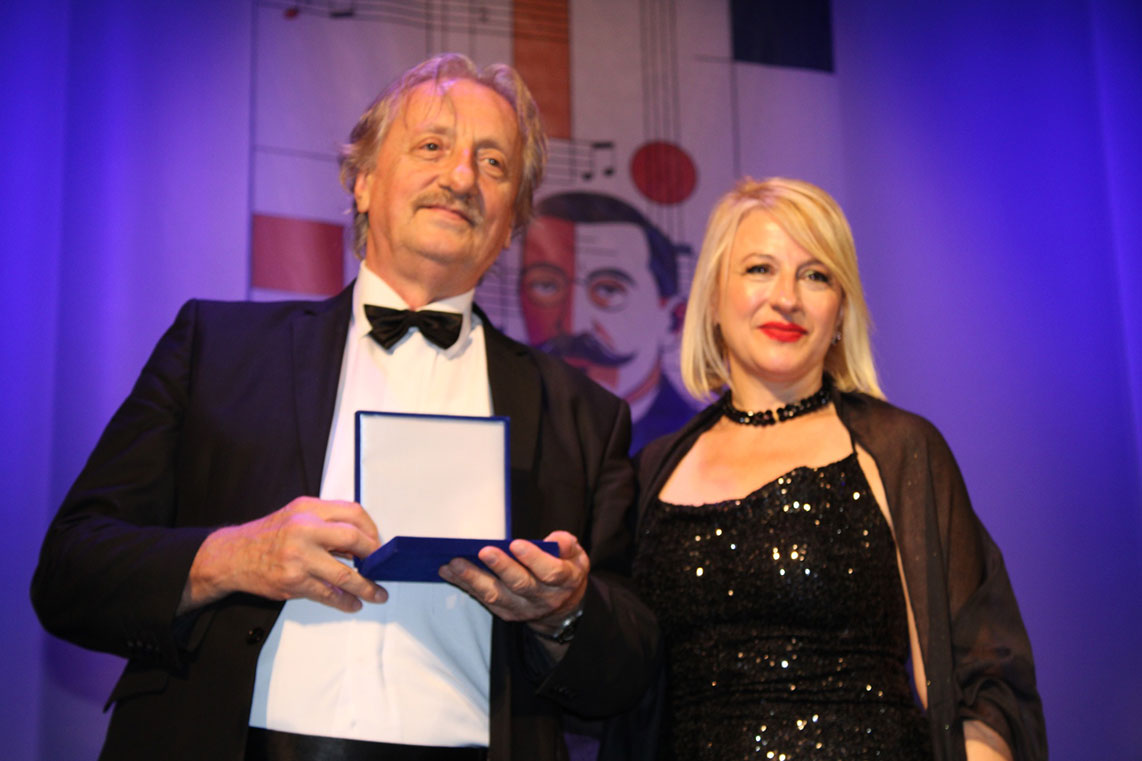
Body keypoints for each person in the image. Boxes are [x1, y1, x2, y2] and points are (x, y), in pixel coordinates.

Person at [31, 53, 657, 761]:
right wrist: (231, 557)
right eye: (432, 146)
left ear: (512, 221)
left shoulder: (585, 416)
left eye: (493, 163)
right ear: (363, 181)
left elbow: (628, 670)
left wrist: (567, 612)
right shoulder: (216, 348)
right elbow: (71, 571)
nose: (460, 178)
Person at [630, 178, 1046, 760]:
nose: (787, 298)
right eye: (759, 269)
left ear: (841, 311)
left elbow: (979, 674)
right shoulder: (652, 471)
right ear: (712, 297)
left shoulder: (900, 450)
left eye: (816, 276)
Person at [520, 192, 696, 453]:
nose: (573, 324)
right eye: (546, 286)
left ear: (673, 321)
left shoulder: (700, 448)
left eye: (609, 290)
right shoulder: (505, 430)